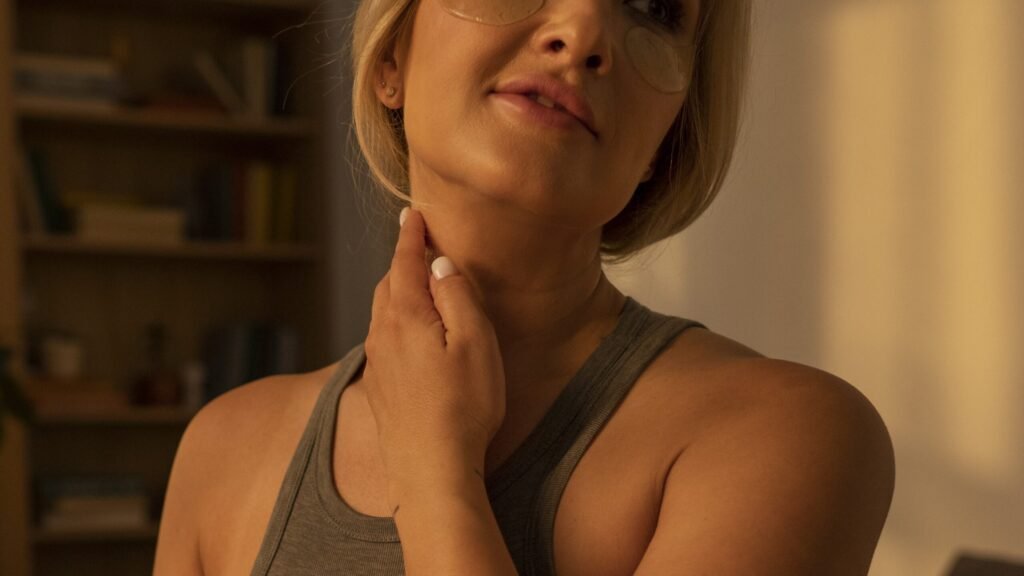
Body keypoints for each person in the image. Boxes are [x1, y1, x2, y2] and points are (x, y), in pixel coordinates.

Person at [154, 0, 895, 574]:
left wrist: (435, 472)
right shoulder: (225, 450)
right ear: (390, 57)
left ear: (665, 139)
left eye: (654, 6)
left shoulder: (790, 437)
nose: (582, 32)